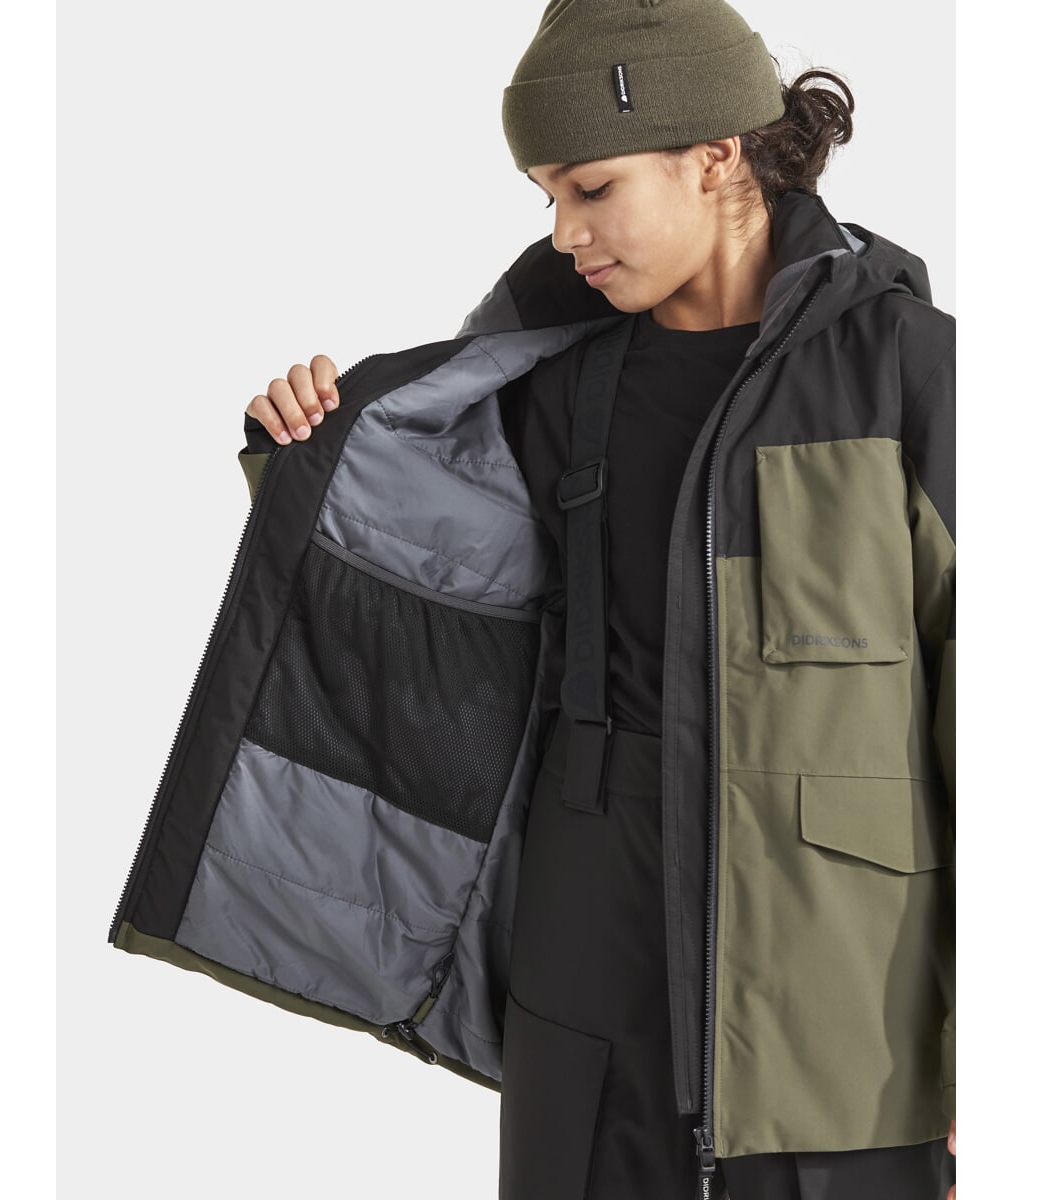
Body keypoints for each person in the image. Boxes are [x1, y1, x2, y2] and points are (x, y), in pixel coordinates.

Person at [240, 2, 955, 1197]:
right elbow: (420, 596)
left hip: (846, 1022)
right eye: (547, 199)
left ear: (715, 157)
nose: (566, 233)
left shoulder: (907, 371)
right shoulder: (553, 378)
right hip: (586, 994)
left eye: (592, 189)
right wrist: (310, 449)